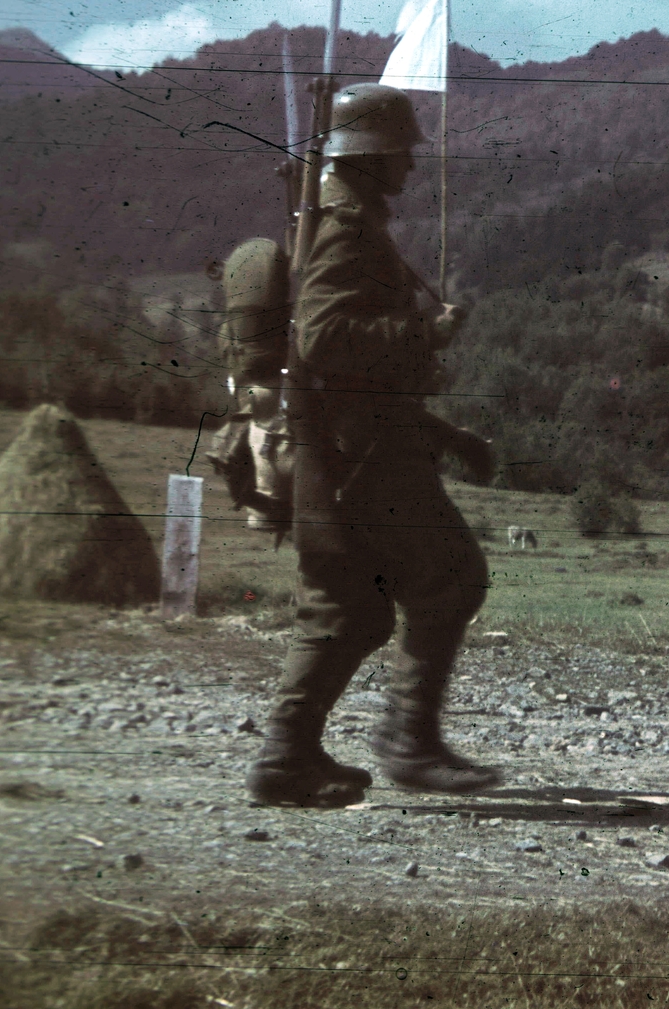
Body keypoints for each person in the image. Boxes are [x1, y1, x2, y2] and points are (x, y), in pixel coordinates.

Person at [245, 83, 500, 808]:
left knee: (346, 609)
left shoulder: (338, 219)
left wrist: (446, 435)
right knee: (451, 574)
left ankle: (283, 759)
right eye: (403, 151)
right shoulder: (346, 230)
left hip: (336, 460)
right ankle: (410, 744)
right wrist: (426, 333)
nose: (412, 165)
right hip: (362, 463)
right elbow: (323, 341)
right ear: (374, 152)